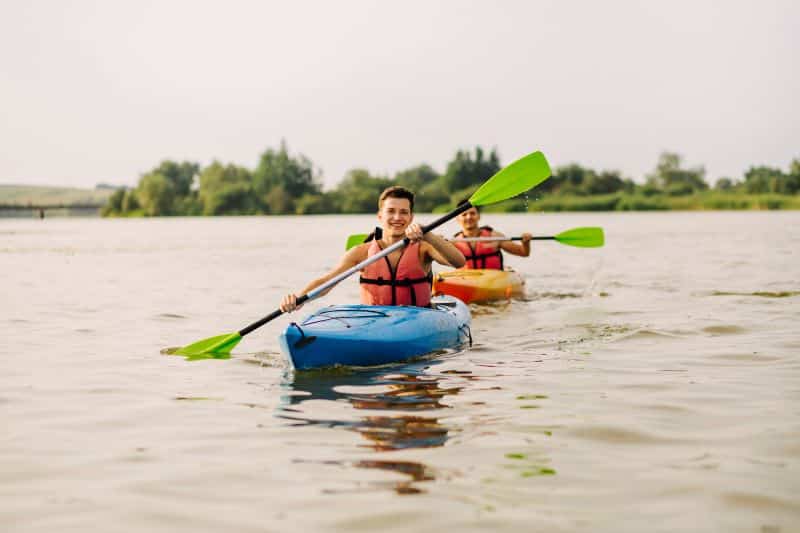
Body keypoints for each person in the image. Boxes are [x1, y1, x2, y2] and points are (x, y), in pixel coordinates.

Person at [280, 186, 465, 312]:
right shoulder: (361, 252)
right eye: (391, 211)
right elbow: (327, 281)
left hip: (418, 318)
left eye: (403, 212)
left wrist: (428, 234)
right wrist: (298, 299)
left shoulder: (424, 248)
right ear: (380, 216)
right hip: (375, 321)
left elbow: (459, 262)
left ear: (411, 217)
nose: (397, 217)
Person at [452, 199, 532, 270]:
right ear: (457, 219)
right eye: (464, 214)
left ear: (479, 216)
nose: (469, 217)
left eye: (472, 213)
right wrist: (439, 244)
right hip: (465, 281)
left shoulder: (494, 236)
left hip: (494, 281)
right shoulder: (453, 242)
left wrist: (525, 243)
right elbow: (441, 259)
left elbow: (523, 252)